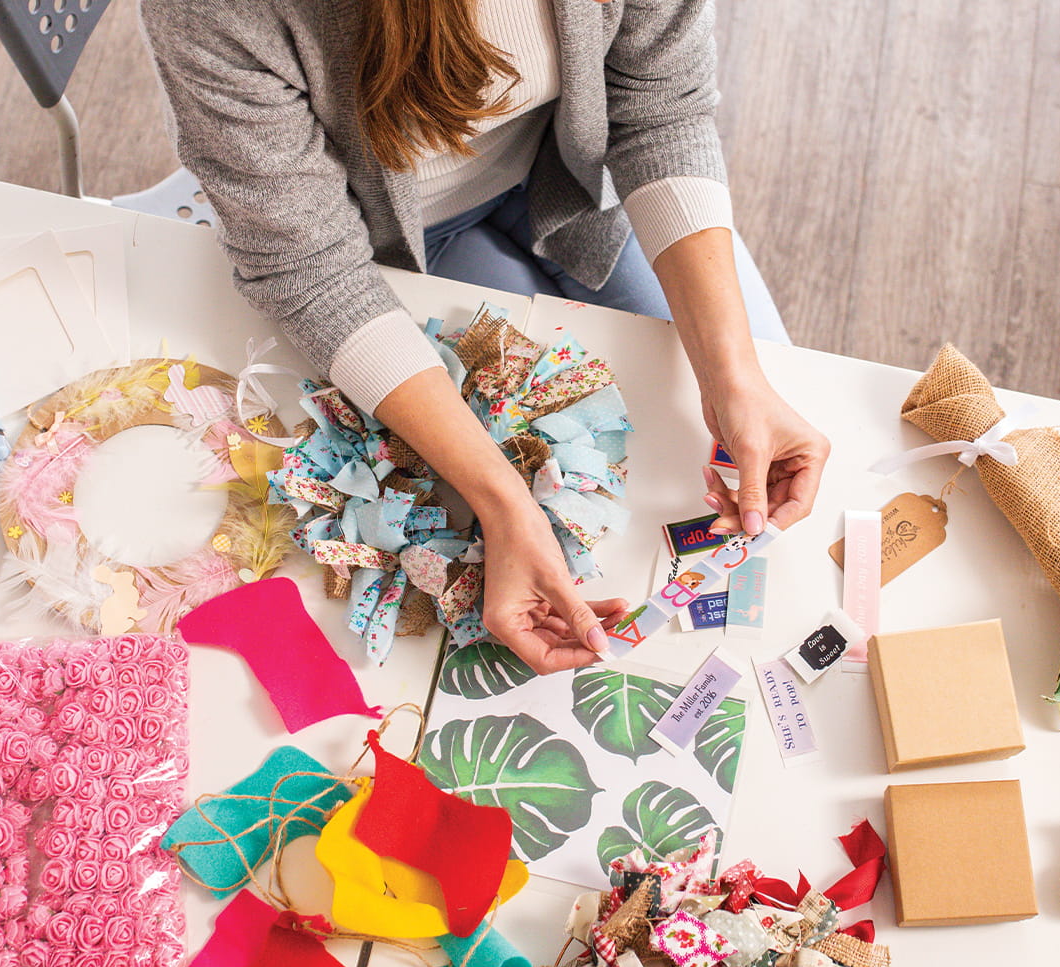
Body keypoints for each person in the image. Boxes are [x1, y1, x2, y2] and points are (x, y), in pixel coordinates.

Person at [141, 0, 830, 674]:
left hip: (565, 171)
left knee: (768, 382)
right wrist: (505, 506)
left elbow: (661, 109)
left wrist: (736, 381)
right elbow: (309, 267)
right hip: (379, 243)